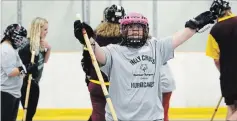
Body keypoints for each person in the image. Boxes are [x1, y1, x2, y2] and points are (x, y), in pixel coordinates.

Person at [74, 10, 216, 120]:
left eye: (138, 27)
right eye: (131, 27)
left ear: (145, 30)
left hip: (152, 118)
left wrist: (196, 23)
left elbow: (179, 37)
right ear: (123, 30)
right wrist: (88, 40)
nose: (135, 30)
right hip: (119, 118)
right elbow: (98, 53)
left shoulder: (156, 47)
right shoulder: (114, 51)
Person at [81, 4, 125, 121]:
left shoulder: (94, 36)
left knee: (98, 115)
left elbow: (85, 61)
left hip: (97, 82)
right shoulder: (125, 38)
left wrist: (88, 77)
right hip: (120, 85)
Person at [205, 0, 237, 120]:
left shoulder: (214, 31)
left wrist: (226, 74)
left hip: (227, 78)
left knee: (232, 108)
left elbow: (216, 60)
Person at [18, 17, 51, 121]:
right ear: (38, 29)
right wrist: (25, 80)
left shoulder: (40, 44)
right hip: (27, 83)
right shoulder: (28, 45)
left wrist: (49, 48)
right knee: (28, 113)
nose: (47, 32)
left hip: (35, 82)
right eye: (45, 29)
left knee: (30, 113)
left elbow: (44, 61)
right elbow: (21, 67)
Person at [0, 24, 33, 121]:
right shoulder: (6, 50)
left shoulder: (12, 49)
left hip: (13, 92)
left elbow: (19, 68)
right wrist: (25, 68)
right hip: (6, 92)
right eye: (20, 38)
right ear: (12, 36)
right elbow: (10, 72)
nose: (21, 41)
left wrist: (25, 70)